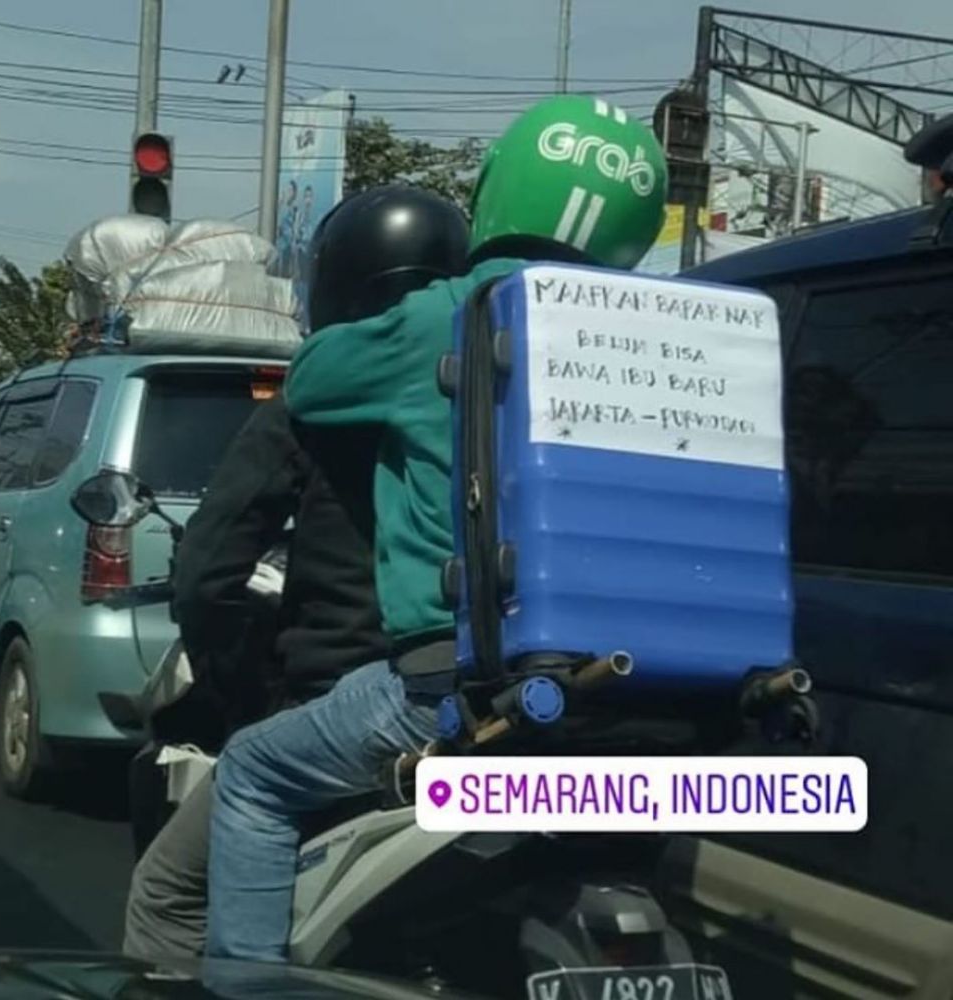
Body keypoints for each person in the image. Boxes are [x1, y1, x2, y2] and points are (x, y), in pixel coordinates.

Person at [205, 94, 668, 962]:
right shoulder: (673, 334)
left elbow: (310, 381)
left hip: (450, 692)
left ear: (497, 192)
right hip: (644, 698)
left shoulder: (441, 315)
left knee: (252, 777)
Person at [122, 184, 471, 962]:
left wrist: (241, 688)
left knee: (169, 893)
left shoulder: (308, 404)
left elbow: (209, 574)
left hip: (359, 711)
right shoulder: (497, 402)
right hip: (493, 701)